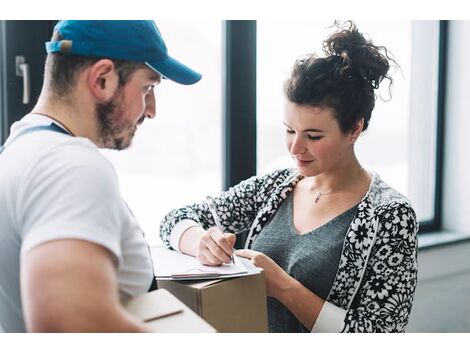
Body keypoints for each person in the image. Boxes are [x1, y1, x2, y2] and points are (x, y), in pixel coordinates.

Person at [160, 22, 418, 333]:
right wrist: (201, 242)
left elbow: (383, 334)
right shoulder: (277, 187)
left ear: (355, 129)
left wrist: (282, 287)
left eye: (313, 135)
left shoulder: (390, 216)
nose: (295, 148)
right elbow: (175, 220)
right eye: (289, 130)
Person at [0, 20, 201, 332]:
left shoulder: (19, 150)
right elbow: (67, 322)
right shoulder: (70, 165)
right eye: (147, 88)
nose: (151, 110)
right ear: (103, 79)